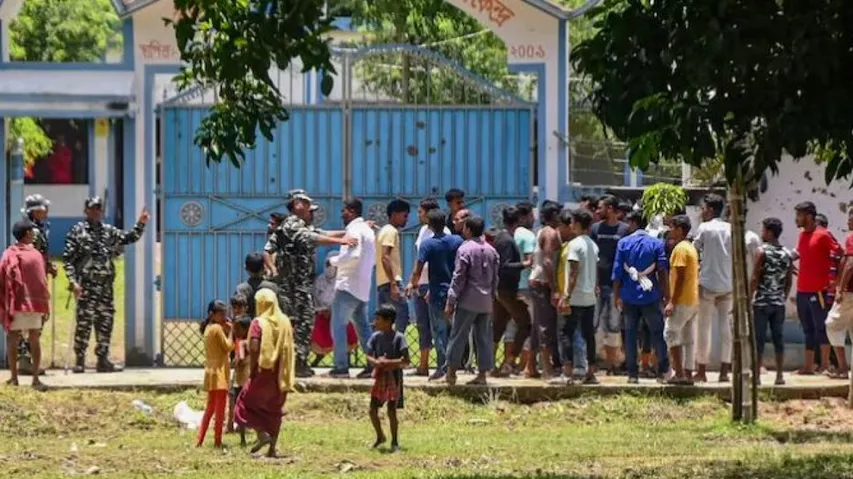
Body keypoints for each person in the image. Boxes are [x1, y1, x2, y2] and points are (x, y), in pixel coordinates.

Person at [264, 189, 356, 378]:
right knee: (302, 324)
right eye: (307, 205)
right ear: (296, 205)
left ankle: (294, 363)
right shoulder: (292, 225)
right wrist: (342, 241)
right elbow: (313, 239)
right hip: (294, 287)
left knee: (298, 324)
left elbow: (321, 232)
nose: (310, 210)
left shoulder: (298, 225)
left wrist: (349, 231)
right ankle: (298, 365)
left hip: (298, 285)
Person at [63, 196, 148, 373]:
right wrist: (73, 283)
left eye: (99, 209)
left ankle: (103, 359)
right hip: (86, 286)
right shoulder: (77, 231)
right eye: (92, 208)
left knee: (105, 323)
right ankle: (80, 360)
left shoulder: (109, 231)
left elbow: (129, 237)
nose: (96, 212)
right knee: (84, 323)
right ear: (86, 210)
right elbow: (68, 260)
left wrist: (140, 223)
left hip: (105, 288)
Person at [234, 289, 295, 458]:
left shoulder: (258, 323)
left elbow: (254, 347)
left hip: (263, 370)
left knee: (245, 403)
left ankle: (262, 435)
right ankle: (272, 449)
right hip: (281, 372)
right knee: (274, 409)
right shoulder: (285, 322)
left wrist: (253, 369)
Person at [613, 210, 671, 384]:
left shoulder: (623, 243)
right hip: (650, 296)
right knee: (657, 333)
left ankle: (632, 374)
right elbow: (662, 271)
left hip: (629, 296)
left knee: (630, 335)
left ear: (633, 223)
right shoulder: (656, 244)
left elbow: (617, 272)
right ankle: (662, 371)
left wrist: (617, 296)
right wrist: (666, 295)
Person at [406, 209, 463, 381]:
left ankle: (442, 367)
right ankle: (454, 366)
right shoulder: (457, 241)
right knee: (455, 330)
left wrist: (412, 284)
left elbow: (418, 267)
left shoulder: (428, 245)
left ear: (429, 226)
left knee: (439, 331)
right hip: (456, 290)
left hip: (438, 292)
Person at [444, 216, 500, 385]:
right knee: (483, 337)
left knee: (458, 335)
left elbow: (459, 277)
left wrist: (451, 300)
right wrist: (492, 298)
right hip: (485, 301)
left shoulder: (465, 249)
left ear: (468, 229)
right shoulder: (492, 250)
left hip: (468, 300)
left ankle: (451, 372)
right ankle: (483, 374)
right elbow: (495, 278)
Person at [329, 198, 377, 379]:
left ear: (351, 211)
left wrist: (333, 261)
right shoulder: (367, 230)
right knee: (363, 328)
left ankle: (341, 367)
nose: (342, 214)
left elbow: (353, 255)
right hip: (362, 286)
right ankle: (373, 364)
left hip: (348, 285)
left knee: (338, 327)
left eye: (344, 211)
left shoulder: (355, 229)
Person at [0, 220, 50, 389]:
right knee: (34, 339)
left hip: (16, 304)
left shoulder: (8, 254)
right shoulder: (36, 254)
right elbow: (41, 281)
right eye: (32, 231)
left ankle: (14, 378)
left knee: (13, 338)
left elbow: (2, 278)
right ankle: (35, 379)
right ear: (27, 233)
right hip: (35, 305)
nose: (34, 234)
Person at [794, 201, 840, 375]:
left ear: (808, 216)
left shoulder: (824, 235)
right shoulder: (802, 235)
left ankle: (825, 365)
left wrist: (835, 280)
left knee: (822, 328)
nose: (796, 219)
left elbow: (840, 254)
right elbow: (799, 253)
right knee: (807, 329)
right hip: (802, 291)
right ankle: (808, 366)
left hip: (818, 291)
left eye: (799, 215)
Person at [692, 193, 733, 383]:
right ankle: (725, 371)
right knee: (726, 329)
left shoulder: (704, 228)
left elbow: (694, 250)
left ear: (709, 209)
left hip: (707, 283)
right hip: (727, 284)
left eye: (703, 208)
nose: (701, 211)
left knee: (703, 328)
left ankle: (702, 370)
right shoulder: (731, 229)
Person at [557, 209, 600, 385]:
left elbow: (573, 273)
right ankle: (591, 371)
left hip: (575, 297)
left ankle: (567, 372)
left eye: (573, 222)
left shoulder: (574, 245)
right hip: (589, 296)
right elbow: (595, 271)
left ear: (578, 224)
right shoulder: (592, 245)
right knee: (588, 333)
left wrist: (566, 296)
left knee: (566, 332)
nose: (571, 225)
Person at [491, 207, 533, 376]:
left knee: (499, 327)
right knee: (525, 323)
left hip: (501, 289)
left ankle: (488, 365)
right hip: (507, 290)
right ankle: (509, 361)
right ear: (519, 221)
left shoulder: (500, 237)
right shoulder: (508, 240)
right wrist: (525, 264)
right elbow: (505, 266)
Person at [409, 198, 450, 376]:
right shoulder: (423, 231)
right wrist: (414, 281)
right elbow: (420, 258)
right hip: (422, 284)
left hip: (434, 285)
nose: (418, 215)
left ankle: (443, 366)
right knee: (423, 326)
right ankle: (423, 365)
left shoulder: (445, 234)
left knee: (438, 327)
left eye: (420, 212)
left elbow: (440, 263)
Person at [591, 195, 631, 375]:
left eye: (601, 207)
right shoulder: (595, 229)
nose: (598, 211)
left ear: (611, 209)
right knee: (594, 323)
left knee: (614, 324)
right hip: (597, 285)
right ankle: (595, 361)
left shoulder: (625, 230)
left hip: (617, 286)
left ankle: (612, 364)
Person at [751, 218, 793, 386]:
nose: (762, 233)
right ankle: (780, 375)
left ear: (769, 232)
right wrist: (782, 297)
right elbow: (789, 281)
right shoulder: (787, 254)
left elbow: (755, 277)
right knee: (778, 338)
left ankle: (757, 376)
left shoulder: (762, 252)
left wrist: (749, 297)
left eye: (763, 230)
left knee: (758, 340)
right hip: (778, 304)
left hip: (761, 303)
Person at [17, 194, 54, 377]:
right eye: (41, 209)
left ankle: (27, 359)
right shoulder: (33, 231)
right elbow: (34, 257)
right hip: (33, 281)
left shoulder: (38, 229)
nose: (45, 212)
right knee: (33, 320)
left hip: (36, 279)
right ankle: (25, 360)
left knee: (35, 320)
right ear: (34, 212)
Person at [366, 304, 410, 452]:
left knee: (391, 411)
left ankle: (395, 441)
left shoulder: (399, 338)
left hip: (394, 377)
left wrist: (389, 363)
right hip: (380, 378)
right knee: (372, 410)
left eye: (378, 319)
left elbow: (406, 361)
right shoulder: (375, 337)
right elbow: (368, 356)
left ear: (388, 321)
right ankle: (380, 436)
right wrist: (376, 363)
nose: (375, 322)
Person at [663, 215, 699, 385]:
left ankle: (679, 373)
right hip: (692, 299)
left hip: (682, 300)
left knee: (670, 333)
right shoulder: (690, 247)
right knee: (687, 338)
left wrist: (672, 301)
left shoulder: (680, 250)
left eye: (671, 227)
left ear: (679, 229)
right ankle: (688, 373)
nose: (669, 230)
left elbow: (680, 277)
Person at [529, 201, 563, 378]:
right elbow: (548, 261)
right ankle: (546, 368)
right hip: (543, 284)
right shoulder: (550, 233)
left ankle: (530, 367)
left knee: (537, 326)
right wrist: (555, 289)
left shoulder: (542, 231)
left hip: (537, 281)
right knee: (545, 326)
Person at [197, 300, 233, 448]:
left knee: (210, 408)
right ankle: (218, 440)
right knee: (220, 409)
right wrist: (231, 332)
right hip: (219, 372)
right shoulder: (217, 328)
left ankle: (200, 439)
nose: (225, 316)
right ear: (213, 314)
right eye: (222, 313)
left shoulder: (208, 328)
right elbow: (228, 347)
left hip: (211, 370)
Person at [310, 252, 358, 365]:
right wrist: (322, 309)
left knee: (346, 327)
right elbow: (315, 298)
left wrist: (334, 310)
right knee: (316, 328)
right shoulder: (319, 280)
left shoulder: (344, 280)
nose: (330, 268)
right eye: (328, 264)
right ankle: (319, 355)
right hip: (322, 313)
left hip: (340, 313)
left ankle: (345, 359)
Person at [376, 199, 412, 335]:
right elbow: (385, 257)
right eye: (405, 215)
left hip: (382, 283)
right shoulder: (391, 232)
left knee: (385, 320)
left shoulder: (382, 231)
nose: (406, 219)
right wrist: (393, 284)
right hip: (391, 282)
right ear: (395, 214)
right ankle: (396, 347)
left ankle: (383, 349)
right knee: (403, 315)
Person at [826, 209, 853, 379]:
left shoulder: (851, 238)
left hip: (850, 292)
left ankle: (843, 367)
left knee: (832, 324)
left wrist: (840, 289)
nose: (848, 221)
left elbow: (850, 263)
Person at [513, 201, 537, 376]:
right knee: (528, 328)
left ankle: (509, 363)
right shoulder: (528, 236)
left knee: (511, 330)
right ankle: (525, 365)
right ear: (526, 216)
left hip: (511, 288)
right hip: (526, 288)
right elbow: (531, 262)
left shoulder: (509, 234)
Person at [227, 294, 251, 439]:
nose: (236, 310)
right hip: (235, 370)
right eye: (234, 307)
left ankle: (241, 425)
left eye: (240, 307)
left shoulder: (246, 326)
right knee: (232, 398)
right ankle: (230, 424)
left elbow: (241, 356)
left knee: (239, 399)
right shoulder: (232, 326)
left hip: (242, 371)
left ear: (246, 308)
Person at [234, 252, 279, 318]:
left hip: (247, 327)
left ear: (246, 268)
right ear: (263, 268)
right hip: (268, 326)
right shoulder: (272, 287)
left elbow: (236, 313)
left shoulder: (240, 289)